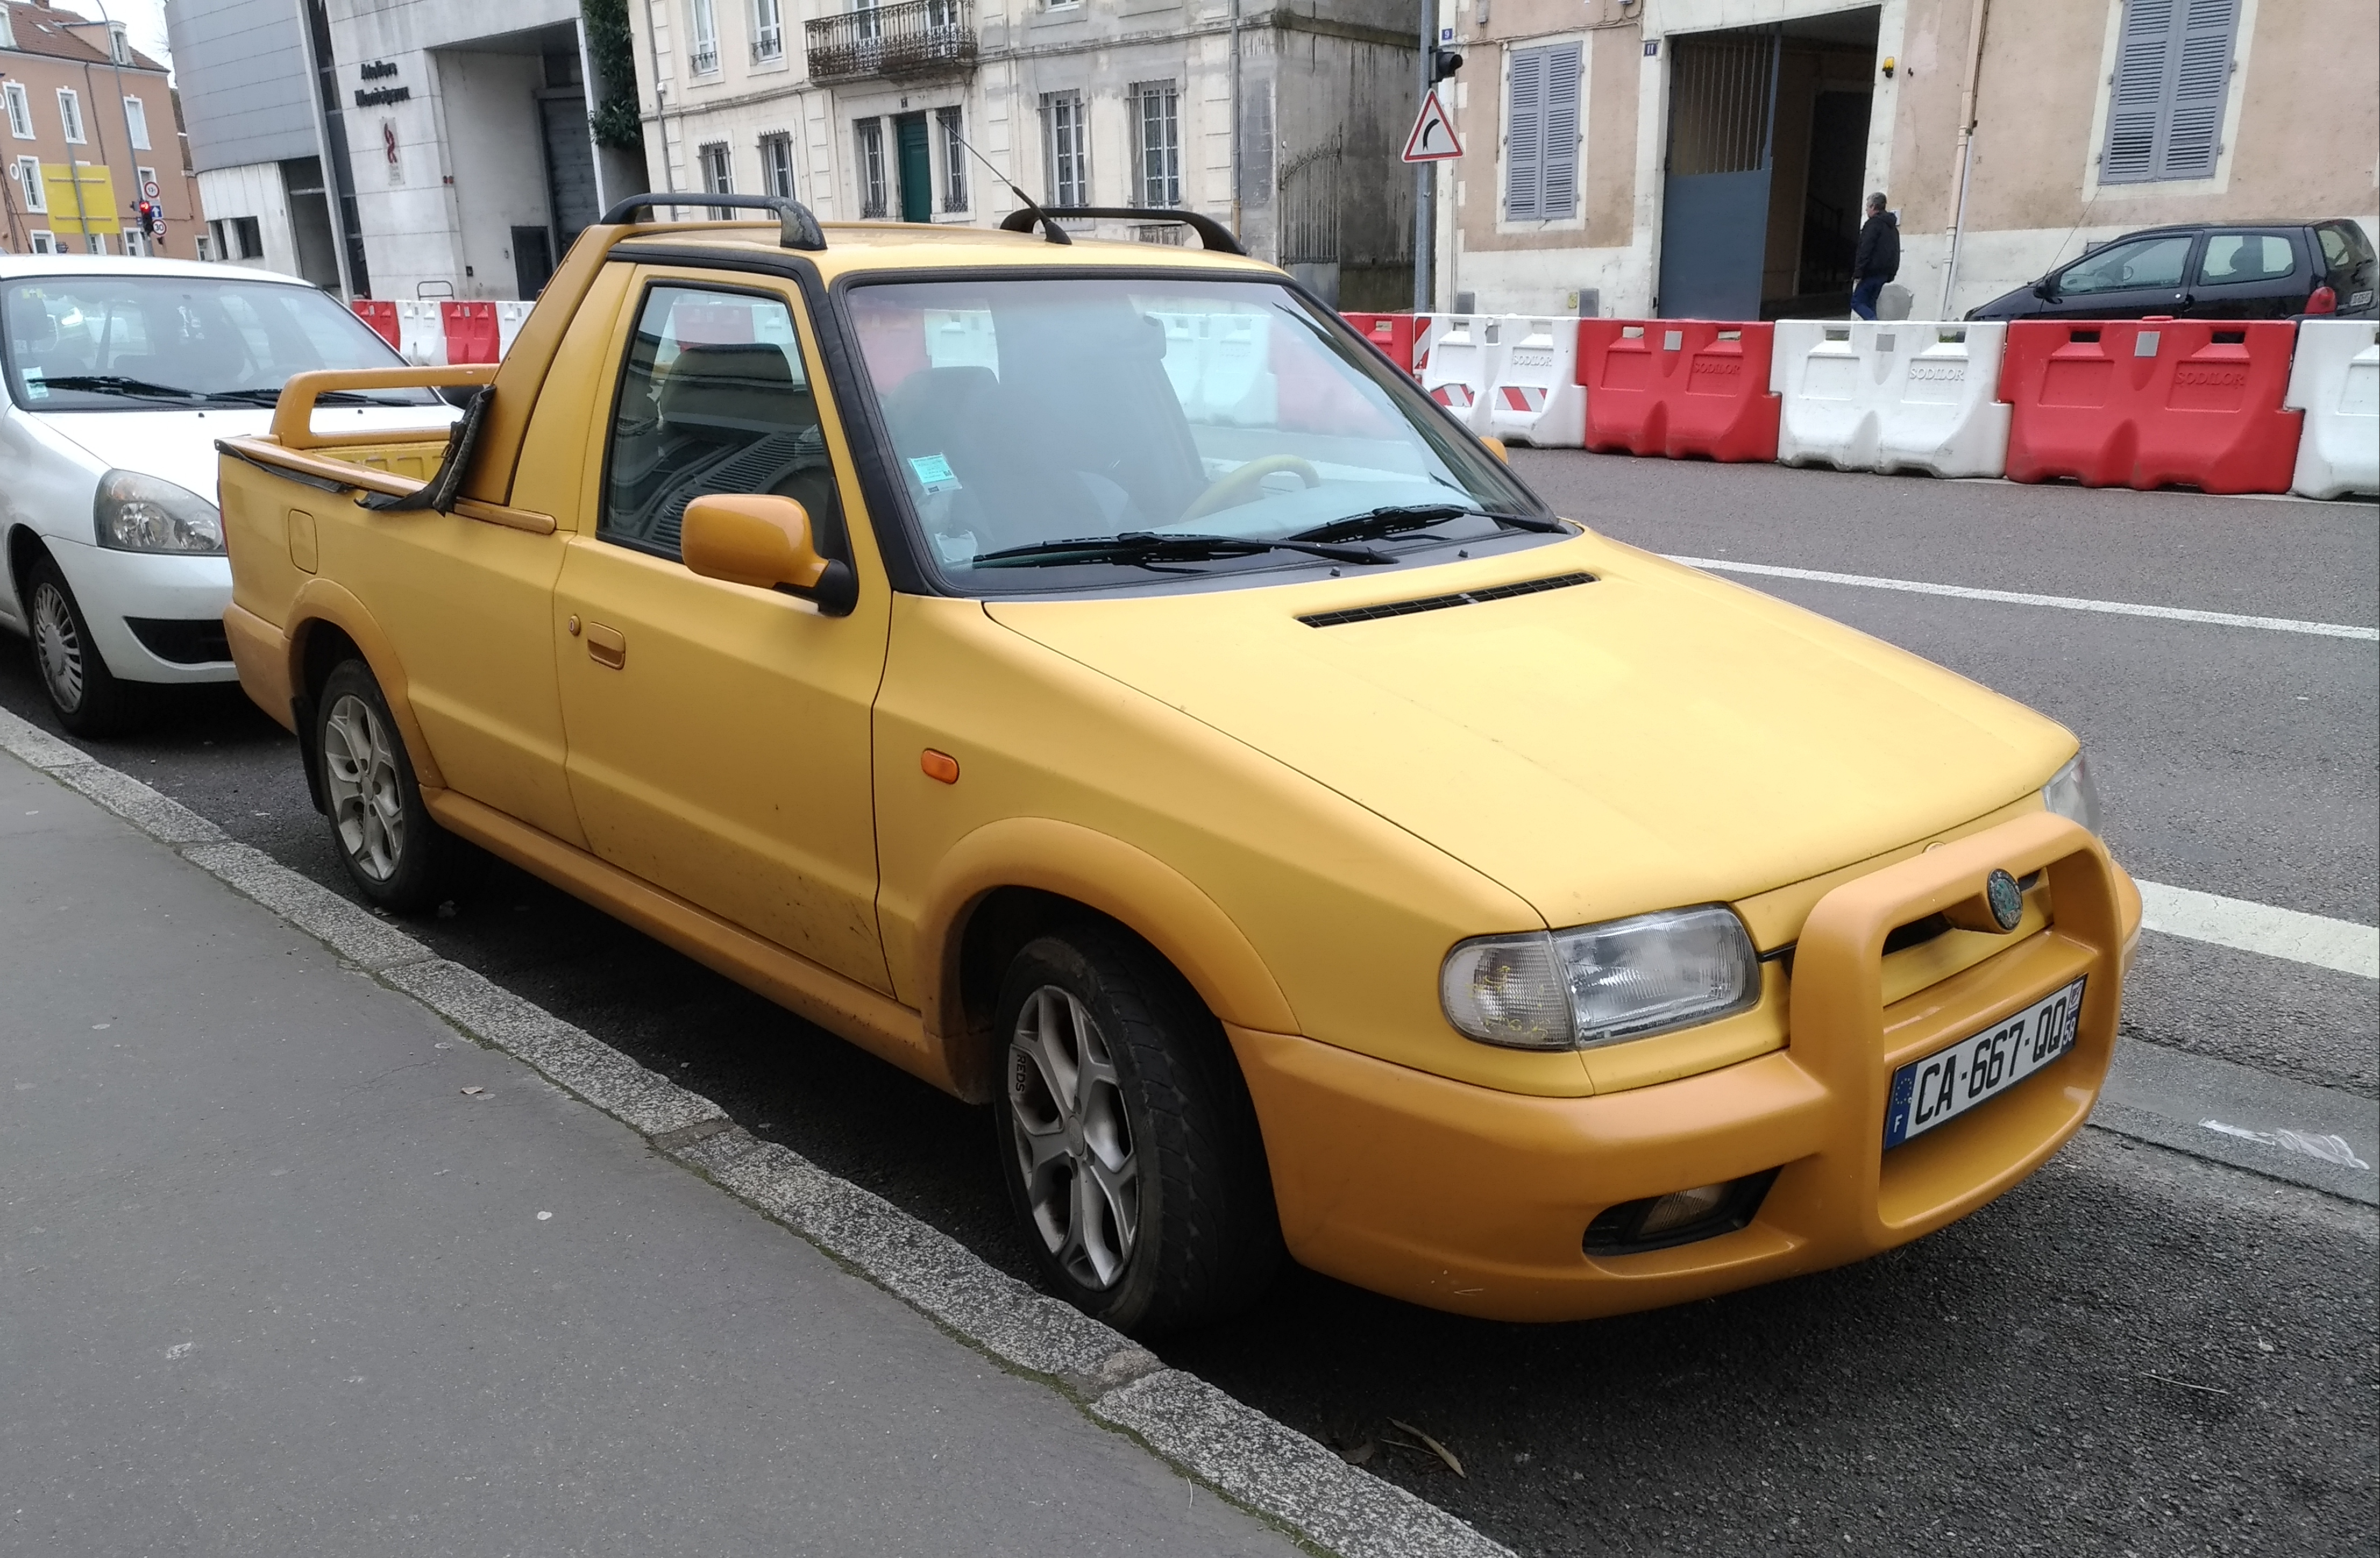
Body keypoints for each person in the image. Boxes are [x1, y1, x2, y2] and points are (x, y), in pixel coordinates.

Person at [1851, 193, 1899, 321]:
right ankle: (1873, 336)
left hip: (1871, 272)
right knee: (1870, 304)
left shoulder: (1873, 225)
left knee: (1857, 302)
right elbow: (1896, 252)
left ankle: (1877, 326)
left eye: (1867, 207)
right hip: (1885, 274)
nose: (1866, 210)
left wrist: (1858, 273)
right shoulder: (1892, 227)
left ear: (1873, 207)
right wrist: (1891, 273)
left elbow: (1865, 250)